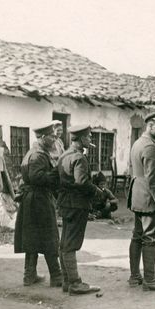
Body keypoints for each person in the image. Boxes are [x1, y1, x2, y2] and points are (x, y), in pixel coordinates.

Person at [127, 109, 155, 291]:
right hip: (149, 198)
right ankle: (150, 280)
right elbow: (154, 179)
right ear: (151, 125)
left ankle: (134, 276)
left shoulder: (138, 143)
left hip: (138, 196)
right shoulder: (151, 147)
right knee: (151, 238)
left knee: (138, 236)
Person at [56, 124, 104, 295]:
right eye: (89, 137)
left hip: (65, 204)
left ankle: (67, 281)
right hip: (77, 205)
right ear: (82, 138)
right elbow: (82, 182)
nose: (90, 139)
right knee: (71, 244)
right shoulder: (79, 158)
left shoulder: (64, 155)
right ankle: (75, 283)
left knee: (65, 243)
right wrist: (97, 191)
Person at [13, 124, 63, 287]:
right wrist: (56, 173)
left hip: (32, 199)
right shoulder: (38, 155)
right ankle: (56, 276)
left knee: (32, 238)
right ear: (42, 137)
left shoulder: (33, 152)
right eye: (51, 136)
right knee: (49, 237)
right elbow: (37, 177)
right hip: (39, 199)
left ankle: (29, 275)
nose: (54, 139)